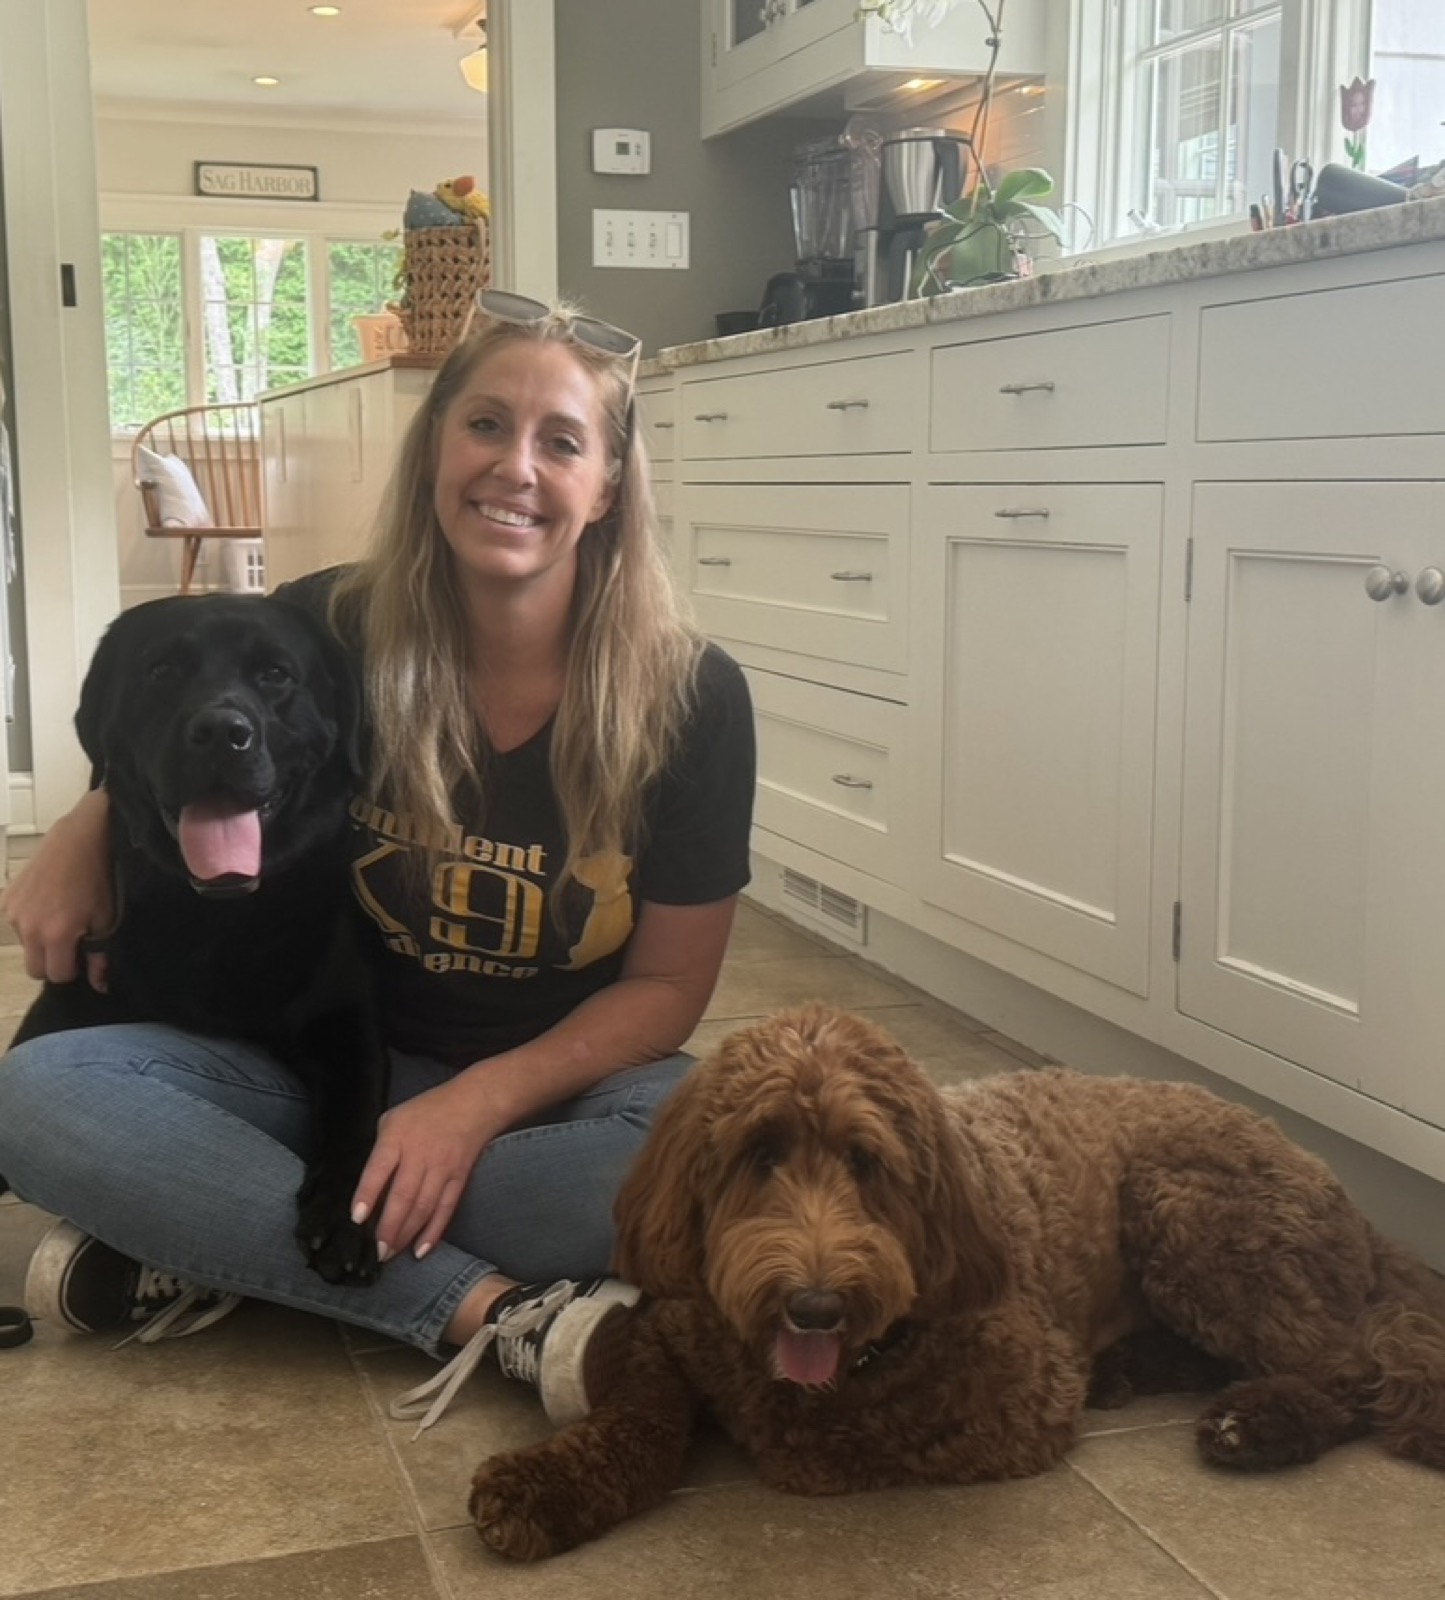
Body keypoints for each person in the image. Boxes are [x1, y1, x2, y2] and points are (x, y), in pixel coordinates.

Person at [0, 290, 755, 1432]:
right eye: (485, 424)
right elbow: (186, 699)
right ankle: (488, 1310)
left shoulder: (693, 697)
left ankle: (212, 1235)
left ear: (607, 485)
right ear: (434, 447)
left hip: (552, 1097)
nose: (515, 467)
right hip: (319, 1085)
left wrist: (472, 1108)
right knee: (40, 1095)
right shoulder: (334, 625)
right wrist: (88, 820)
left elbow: (667, 989)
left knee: (712, 1147)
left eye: (561, 442)